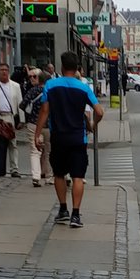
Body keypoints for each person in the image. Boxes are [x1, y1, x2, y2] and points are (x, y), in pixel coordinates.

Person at [34, 51, 104, 228]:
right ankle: (76, 215)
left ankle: (63, 209)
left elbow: (44, 111)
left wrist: (37, 133)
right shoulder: (83, 87)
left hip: (58, 137)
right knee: (78, 176)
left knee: (59, 174)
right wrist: (93, 126)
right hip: (78, 138)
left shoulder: (50, 85)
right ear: (77, 68)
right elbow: (99, 112)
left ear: (62, 67)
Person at [0, 62, 23, 178]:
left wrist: (21, 120)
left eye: (6, 70)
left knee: (13, 144)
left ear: (9, 72)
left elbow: (20, 103)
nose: (4, 72)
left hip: (11, 116)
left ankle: (14, 169)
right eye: (1, 70)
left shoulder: (15, 86)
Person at [21, 68, 51, 187]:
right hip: (48, 125)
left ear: (39, 79)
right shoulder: (50, 92)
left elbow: (23, 104)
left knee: (35, 151)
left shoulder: (33, 91)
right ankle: (49, 177)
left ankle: (36, 176)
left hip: (33, 124)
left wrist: (30, 113)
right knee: (48, 152)